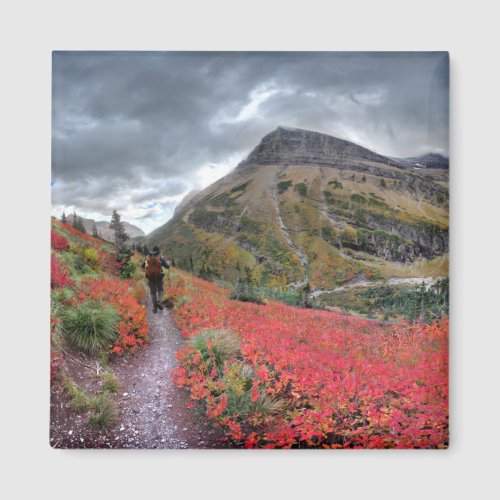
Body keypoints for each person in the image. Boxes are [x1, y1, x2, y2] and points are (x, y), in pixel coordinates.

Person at [142, 245, 170, 313]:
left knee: (153, 292)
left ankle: (155, 308)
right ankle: (160, 302)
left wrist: (147, 266)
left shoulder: (148, 257)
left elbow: (143, 266)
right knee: (160, 290)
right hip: (159, 277)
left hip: (150, 277)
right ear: (158, 251)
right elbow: (167, 266)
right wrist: (169, 263)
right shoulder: (161, 257)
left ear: (153, 251)